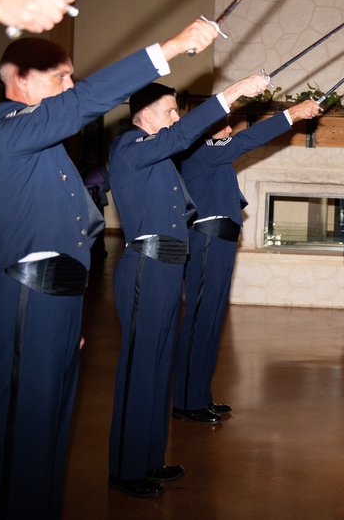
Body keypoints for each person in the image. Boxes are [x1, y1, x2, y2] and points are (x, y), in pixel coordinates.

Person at [0, 19, 218, 520]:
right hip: (25, 299)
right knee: (23, 441)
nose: (69, 88)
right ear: (19, 77)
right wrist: (170, 47)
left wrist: (70, 314)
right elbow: (85, 102)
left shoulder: (40, 139)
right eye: (60, 77)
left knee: (50, 441)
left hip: (57, 303)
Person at [107, 74, 270, 498]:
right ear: (144, 115)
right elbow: (179, 137)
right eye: (169, 110)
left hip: (169, 266)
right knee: (140, 368)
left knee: (160, 367)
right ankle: (125, 468)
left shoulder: (160, 159)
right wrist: (231, 95)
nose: (176, 117)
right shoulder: (129, 147)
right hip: (145, 265)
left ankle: (148, 459)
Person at [173, 98, 322, 423]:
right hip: (207, 239)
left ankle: (200, 394)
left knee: (212, 321)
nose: (229, 128)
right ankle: (185, 401)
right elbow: (246, 140)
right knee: (199, 320)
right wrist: (291, 115)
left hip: (221, 242)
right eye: (222, 124)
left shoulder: (213, 153)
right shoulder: (201, 150)